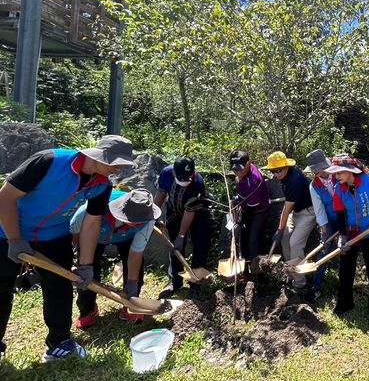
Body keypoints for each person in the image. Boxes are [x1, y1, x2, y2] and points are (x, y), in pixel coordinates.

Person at [0, 135, 134, 361]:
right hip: (6, 231)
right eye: (116, 162)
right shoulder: (49, 161)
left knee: (59, 289)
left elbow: (92, 223)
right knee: (1, 288)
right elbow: (5, 197)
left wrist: (85, 265)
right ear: (100, 156)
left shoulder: (102, 184)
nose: (119, 168)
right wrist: (14, 239)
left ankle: (58, 343)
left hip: (54, 235)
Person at [70, 188, 160, 327]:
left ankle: (130, 304)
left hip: (127, 236)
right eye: (133, 220)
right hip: (94, 234)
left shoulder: (148, 217)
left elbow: (135, 253)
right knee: (86, 272)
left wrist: (132, 285)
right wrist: (76, 258)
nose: (138, 223)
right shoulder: (91, 210)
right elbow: (75, 233)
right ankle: (87, 310)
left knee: (135, 273)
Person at [327, 154, 369, 317]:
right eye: (335, 174)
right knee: (345, 270)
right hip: (351, 234)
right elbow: (340, 214)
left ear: (350, 171)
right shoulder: (339, 189)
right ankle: (345, 303)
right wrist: (343, 237)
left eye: (339, 173)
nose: (336, 177)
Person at [155, 157, 211, 299]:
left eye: (188, 179)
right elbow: (161, 193)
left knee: (200, 246)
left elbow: (189, 211)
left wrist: (182, 236)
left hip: (197, 215)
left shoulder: (197, 182)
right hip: (174, 212)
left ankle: (196, 283)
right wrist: (153, 214)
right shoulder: (166, 173)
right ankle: (175, 281)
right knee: (175, 248)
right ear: (174, 173)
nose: (185, 183)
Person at [263, 151, 316, 289]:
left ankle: (300, 283)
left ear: (286, 166)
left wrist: (280, 228)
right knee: (285, 236)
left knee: (295, 243)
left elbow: (287, 207)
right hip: (296, 212)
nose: (275, 174)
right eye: (272, 171)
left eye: (278, 170)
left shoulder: (294, 180)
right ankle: (290, 273)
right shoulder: (284, 177)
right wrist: (282, 231)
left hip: (308, 213)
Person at [306, 149, 338, 302]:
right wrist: (324, 231)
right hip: (330, 219)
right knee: (324, 248)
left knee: (349, 246)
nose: (318, 173)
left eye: (319, 169)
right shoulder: (314, 186)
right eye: (315, 171)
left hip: (350, 215)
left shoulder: (339, 174)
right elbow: (319, 210)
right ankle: (316, 286)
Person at [229, 150, 271, 262]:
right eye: (234, 169)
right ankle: (245, 268)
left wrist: (240, 221)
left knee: (253, 239)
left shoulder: (253, 180)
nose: (237, 172)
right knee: (242, 236)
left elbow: (250, 207)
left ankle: (255, 266)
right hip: (246, 205)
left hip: (258, 210)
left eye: (240, 169)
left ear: (248, 163)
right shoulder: (244, 172)